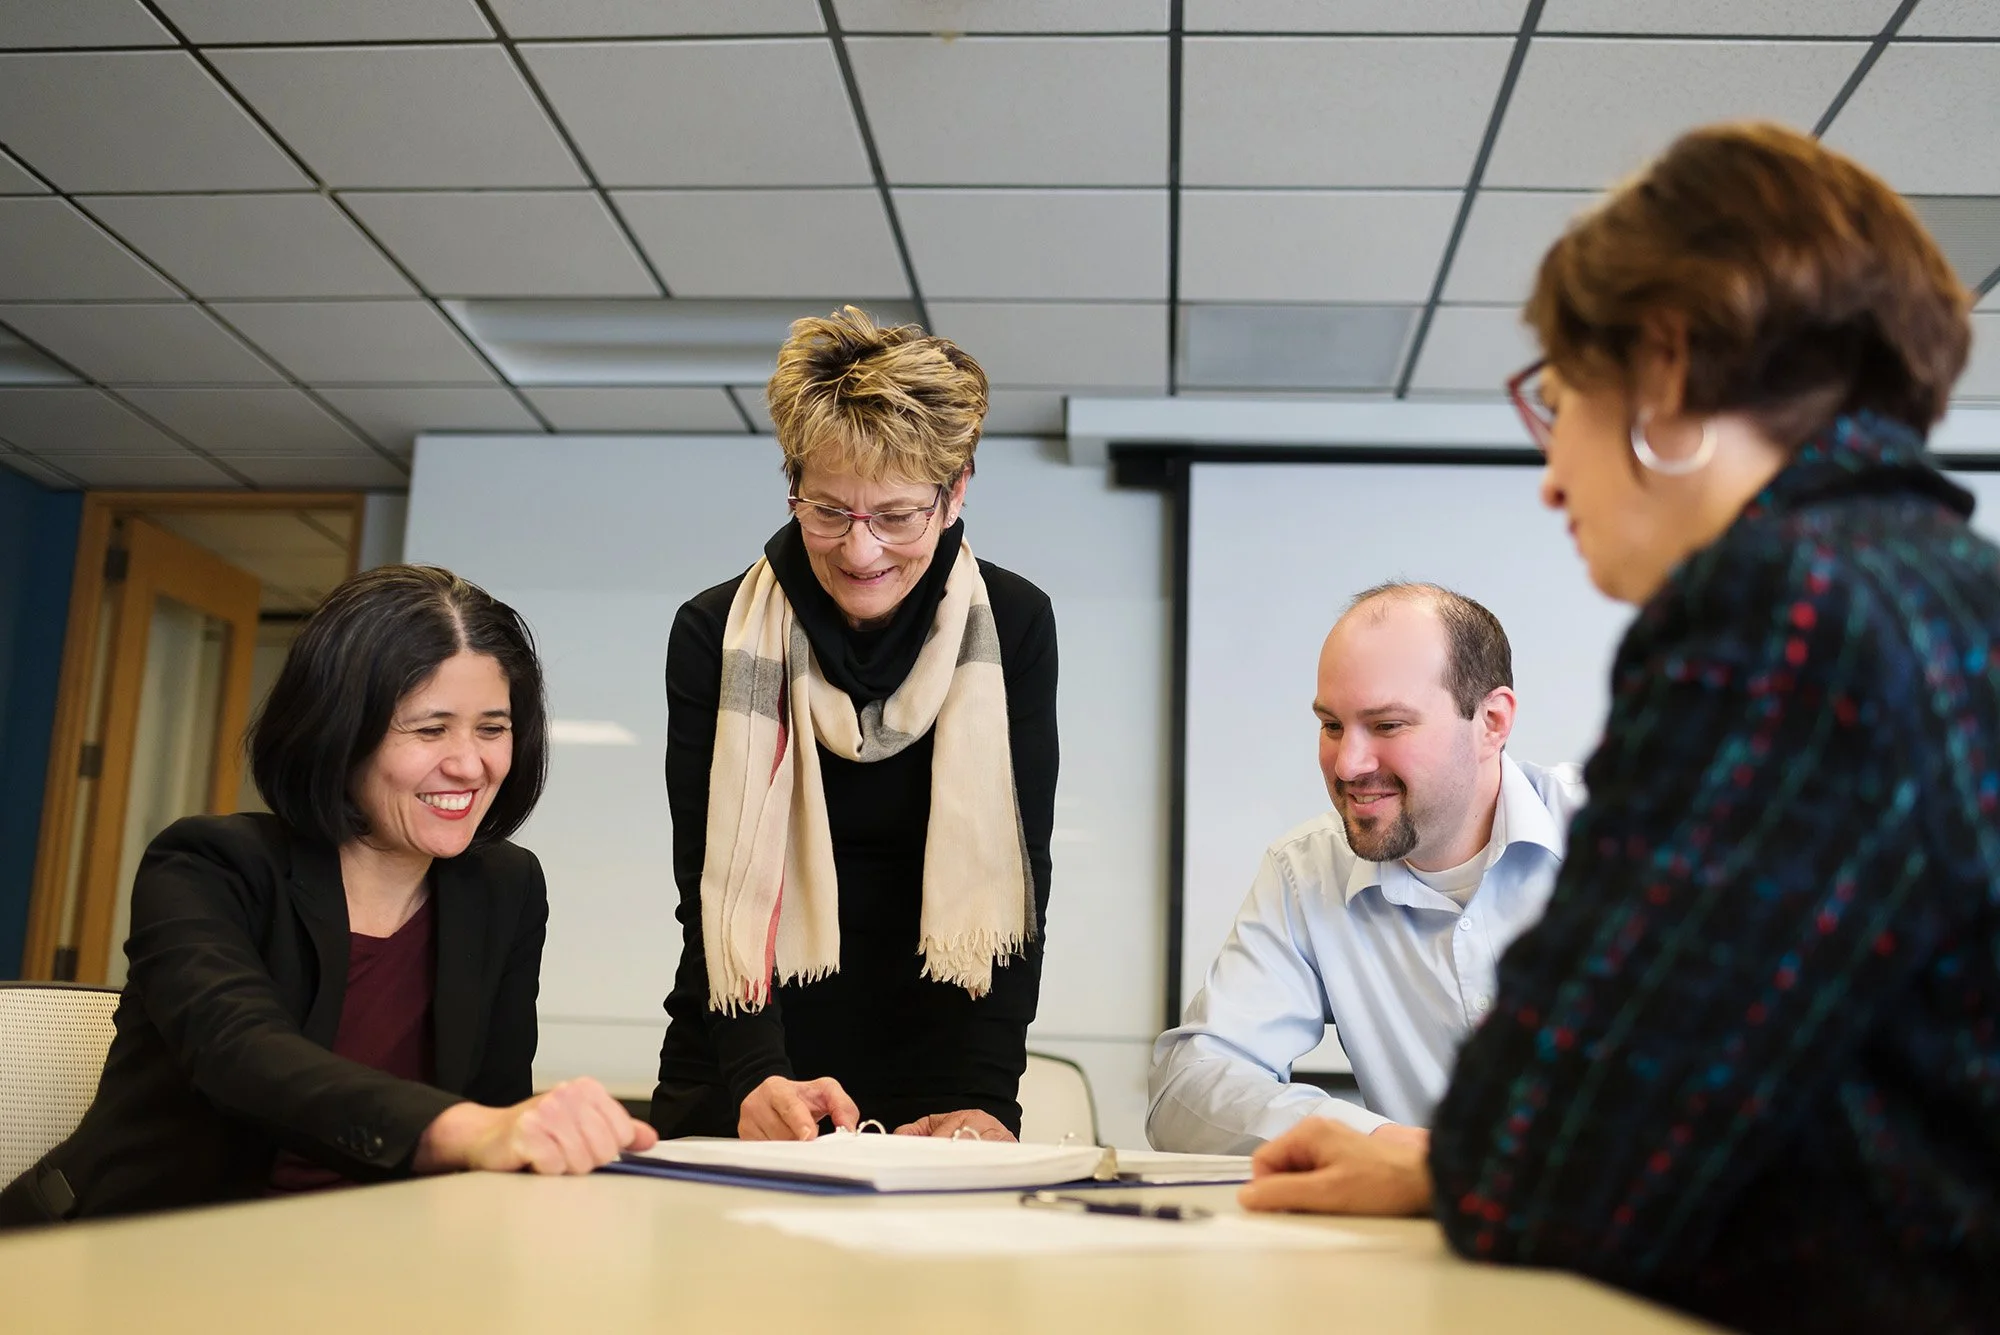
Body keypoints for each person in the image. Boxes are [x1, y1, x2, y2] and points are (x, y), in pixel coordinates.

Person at [1237, 122, 1998, 1333]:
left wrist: (1452, 1160)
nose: (1548, 472)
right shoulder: (1953, 587)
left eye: (1562, 394)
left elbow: (1571, 1145)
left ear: (1667, 374)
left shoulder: (1776, 608)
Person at [0, 565, 654, 1227]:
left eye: (492, 728)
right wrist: (464, 1128)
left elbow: (497, 1100)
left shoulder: (506, 886)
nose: (468, 763)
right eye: (429, 730)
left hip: (369, 1253)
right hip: (137, 1248)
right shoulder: (208, 863)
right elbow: (241, 1055)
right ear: (339, 732)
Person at [651, 306, 1058, 1143]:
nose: (861, 550)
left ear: (956, 493)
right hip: (742, 1058)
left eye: (897, 514)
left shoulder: (1014, 623)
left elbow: (1018, 879)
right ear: (792, 484)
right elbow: (712, 884)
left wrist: (987, 1093)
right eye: (829, 510)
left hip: (938, 1074)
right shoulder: (716, 631)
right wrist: (756, 1073)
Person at [1148, 583, 1585, 1154]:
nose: (1349, 764)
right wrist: (1397, 1151)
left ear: (1492, 722)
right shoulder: (1305, 875)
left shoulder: (1636, 835)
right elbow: (1191, 1088)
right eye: (1332, 725)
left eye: (1387, 726)